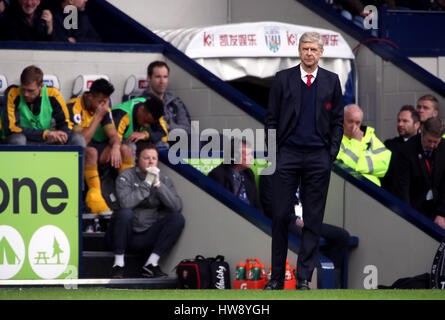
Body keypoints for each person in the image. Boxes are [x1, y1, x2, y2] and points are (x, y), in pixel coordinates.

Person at [264, 31, 344, 290]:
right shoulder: (282, 79)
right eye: (305, 48)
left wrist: (330, 154)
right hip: (287, 154)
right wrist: (274, 151)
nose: (309, 53)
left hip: (318, 157)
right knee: (279, 215)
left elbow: (338, 122)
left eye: (314, 49)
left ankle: (303, 279)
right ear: (299, 51)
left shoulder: (332, 81)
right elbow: (271, 119)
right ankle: (276, 278)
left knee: (313, 219)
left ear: (321, 53)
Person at [106, 142, 185, 278]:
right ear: (137, 159)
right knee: (125, 213)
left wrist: (158, 185)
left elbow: (176, 206)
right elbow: (126, 203)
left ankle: (151, 264)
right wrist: (146, 184)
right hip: (123, 234)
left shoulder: (164, 178)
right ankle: (118, 264)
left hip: (146, 235)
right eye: (146, 158)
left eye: (154, 159)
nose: (151, 162)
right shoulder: (126, 176)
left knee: (177, 219)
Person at [259, 173, 350, 289]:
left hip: (307, 219)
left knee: (342, 236)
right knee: (307, 235)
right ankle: (302, 279)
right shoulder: (271, 174)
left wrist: (309, 217)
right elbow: (270, 205)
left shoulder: (307, 174)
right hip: (289, 220)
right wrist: (294, 219)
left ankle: (333, 285)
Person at [67, 78, 133, 214]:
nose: (104, 105)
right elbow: (81, 142)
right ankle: (95, 198)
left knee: (125, 149)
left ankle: (128, 193)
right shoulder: (73, 107)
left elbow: (113, 135)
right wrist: (97, 118)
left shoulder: (103, 108)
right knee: (91, 152)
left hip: (96, 147)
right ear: (90, 97)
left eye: (106, 101)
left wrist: (115, 146)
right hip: (73, 150)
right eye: (100, 101)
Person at [3, 65, 85, 147]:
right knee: (18, 140)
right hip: (25, 138)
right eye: (23, 89)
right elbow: (11, 128)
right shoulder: (13, 93)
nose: (26, 94)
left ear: (41, 86)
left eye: (30, 91)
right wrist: (45, 134)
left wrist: (62, 136)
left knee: (78, 140)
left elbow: (65, 122)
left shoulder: (53, 94)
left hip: (48, 139)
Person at [393, 117, 445, 230]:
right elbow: (402, 187)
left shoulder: (443, 148)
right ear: (422, 133)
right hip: (414, 205)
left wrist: (442, 214)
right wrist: (408, 216)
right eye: (429, 141)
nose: (432, 145)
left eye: (436, 142)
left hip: (437, 206)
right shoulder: (406, 150)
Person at [337, 104, 391, 186]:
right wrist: (356, 142)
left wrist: (356, 165)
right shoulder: (335, 139)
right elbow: (341, 168)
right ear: (342, 120)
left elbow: (384, 164)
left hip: (373, 191)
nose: (354, 126)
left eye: (358, 122)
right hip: (348, 188)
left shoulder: (369, 136)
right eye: (350, 121)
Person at [207, 138, 262, 212]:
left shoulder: (249, 174)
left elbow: (257, 206)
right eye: (248, 155)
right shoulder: (218, 175)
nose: (252, 158)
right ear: (235, 156)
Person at [143, 61, 191, 137]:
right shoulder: (141, 102)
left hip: (177, 144)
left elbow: (188, 130)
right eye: (158, 77)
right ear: (149, 78)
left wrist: (168, 126)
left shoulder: (175, 102)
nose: (162, 81)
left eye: (165, 77)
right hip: (152, 145)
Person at [381, 105, 420, 191]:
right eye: (399, 121)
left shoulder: (423, 145)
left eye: (405, 121)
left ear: (417, 125)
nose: (400, 124)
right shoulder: (389, 145)